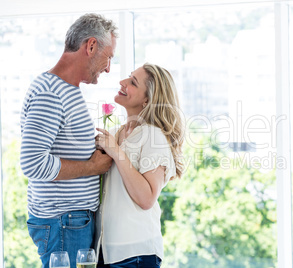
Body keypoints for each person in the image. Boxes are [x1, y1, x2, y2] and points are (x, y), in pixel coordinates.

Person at [20, 13, 118, 268]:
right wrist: (92, 167)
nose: (108, 68)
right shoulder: (50, 93)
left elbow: (61, 144)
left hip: (70, 221)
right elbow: (32, 164)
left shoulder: (67, 89)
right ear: (91, 46)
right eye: (108, 57)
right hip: (64, 221)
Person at [94, 63, 184, 267]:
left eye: (133, 82)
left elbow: (146, 198)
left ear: (147, 100)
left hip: (135, 254)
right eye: (128, 77)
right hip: (106, 251)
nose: (122, 82)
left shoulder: (154, 136)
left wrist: (115, 151)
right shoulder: (116, 132)